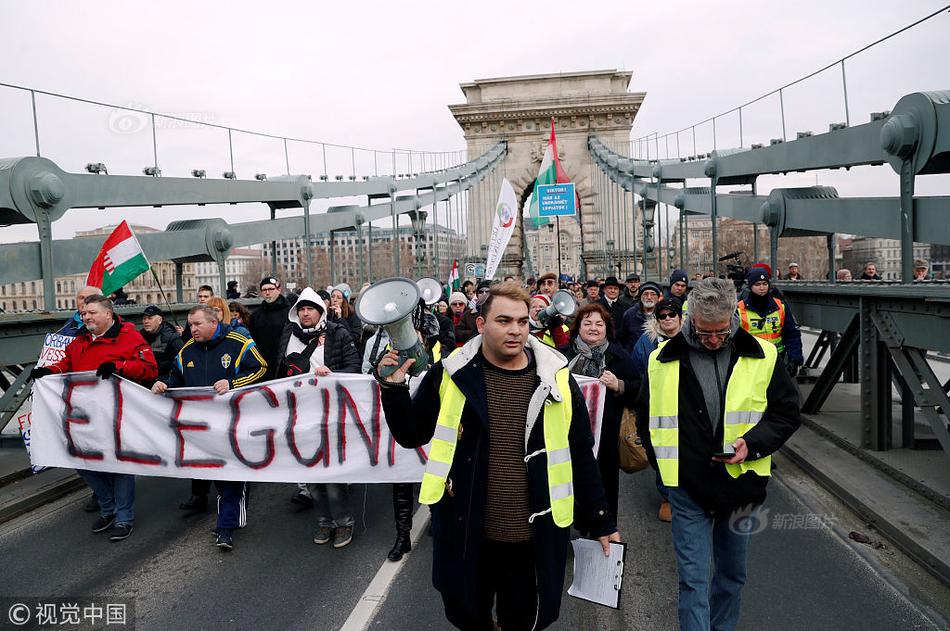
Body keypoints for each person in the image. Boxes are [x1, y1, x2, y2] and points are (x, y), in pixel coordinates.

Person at [376, 281, 619, 631]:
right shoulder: (451, 373)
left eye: (522, 321)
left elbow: (580, 452)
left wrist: (599, 519)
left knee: (522, 621)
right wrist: (393, 389)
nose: (515, 330)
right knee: (466, 614)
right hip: (467, 531)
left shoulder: (555, 376)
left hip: (530, 539)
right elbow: (411, 434)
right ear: (481, 325)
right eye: (504, 321)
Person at [635, 278, 800, 631]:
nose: (713, 340)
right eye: (705, 332)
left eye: (721, 333)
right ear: (691, 319)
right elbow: (647, 419)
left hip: (740, 485)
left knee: (731, 576)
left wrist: (752, 444)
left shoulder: (764, 355)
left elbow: (786, 414)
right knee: (693, 581)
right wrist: (664, 468)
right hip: (686, 486)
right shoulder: (659, 361)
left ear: (733, 319)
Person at [32, 295, 158, 542]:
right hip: (85, 417)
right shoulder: (80, 340)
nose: (86, 317)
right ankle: (108, 506)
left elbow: (150, 369)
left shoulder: (130, 336)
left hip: (118, 415)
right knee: (80, 460)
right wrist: (50, 371)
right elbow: (67, 364)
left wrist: (119, 366)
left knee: (119, 465)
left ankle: (123, 517)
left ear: (108, 314)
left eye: (91, 312)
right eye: (84, 313)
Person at [152, 305, 267, 550]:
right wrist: (164, 383)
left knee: (232, 475)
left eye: (197, 324)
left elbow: (260, 367)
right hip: (203, 429)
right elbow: (176, 377)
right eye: (190, 325)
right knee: (217, 475)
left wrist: (233, 383)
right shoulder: (187, 351)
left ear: (213, 323)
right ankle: (228, 518)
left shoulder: (238, 342)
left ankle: (226, 527)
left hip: (234, 423)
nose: (192, 329)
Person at [272, 288, 362, 548]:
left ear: (320, 312)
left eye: (310, 308)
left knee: (331, 474)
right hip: (298, 412)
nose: (305, 313)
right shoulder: (289, 333)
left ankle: (344, 522)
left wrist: (330, 373)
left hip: (329, 412)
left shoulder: (337, 332)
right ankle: (324, 522)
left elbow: (354, 368)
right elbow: (280, 369)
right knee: (310, 474)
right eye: (301, 309)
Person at [561, 303, 638, 527]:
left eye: (599, 324)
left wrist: (619, 385)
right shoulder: (565, 356)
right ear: (578, 327)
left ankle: (602, 531)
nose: (593, 328)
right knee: (569, 481)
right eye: (587, 323)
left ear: (607, 328)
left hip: (606, 437)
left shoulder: (618, 356)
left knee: (604, 485)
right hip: (569, 434)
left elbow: (640, 388)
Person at [631, 297, 684, 522]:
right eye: (662, 316)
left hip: (687, 406)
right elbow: (636, 372)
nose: (667, 319)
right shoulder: (646, 343)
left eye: (672, 315)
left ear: (681, 317)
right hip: (658, 407)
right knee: (664, 452)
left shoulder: (694, 340)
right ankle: (668, 497)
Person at [737, 268, 804, 375]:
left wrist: (795, 359)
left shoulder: (780, 306)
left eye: (765, 283)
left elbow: (792, 334)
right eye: (757, 284)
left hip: (777, 359)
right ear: (750, 287)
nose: (762, 288)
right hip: (751, 361)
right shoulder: (739, 309)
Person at [249, 276, 291, 380]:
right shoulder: (256, 315)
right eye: (264, 290)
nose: (267, 293)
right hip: (263, 366)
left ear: (279, 290)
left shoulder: (290, 312)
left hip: (285, 365)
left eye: (271, 289)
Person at [139, 304, 184, 379]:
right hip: (145, 379)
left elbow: (181, 361)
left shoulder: (171, 337)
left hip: (165, 381)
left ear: (160, 320)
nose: (146, 321)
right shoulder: (139, 337)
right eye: (144, 319)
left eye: (150, 318)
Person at [619, 281, 662, 354]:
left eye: (653, 294)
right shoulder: (629, 314)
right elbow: (623, 338)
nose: (649, 297)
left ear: (658, 298)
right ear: (641, 296)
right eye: (645, 294)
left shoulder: (664, 315)